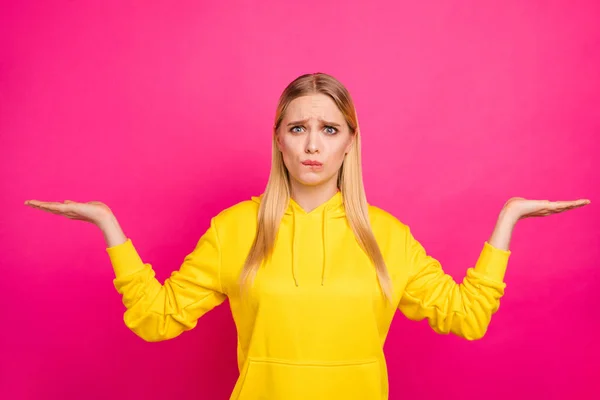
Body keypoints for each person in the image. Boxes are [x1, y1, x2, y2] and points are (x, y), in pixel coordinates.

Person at [24, 72, 590, 400]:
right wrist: (110, 229)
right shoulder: (235, 229)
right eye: (298, 128)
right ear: (279, 140)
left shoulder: (388, 237)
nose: (313, 145)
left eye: (328, 129)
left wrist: (507, 222)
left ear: (349, 142)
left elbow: (467, 316)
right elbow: (155, 318)